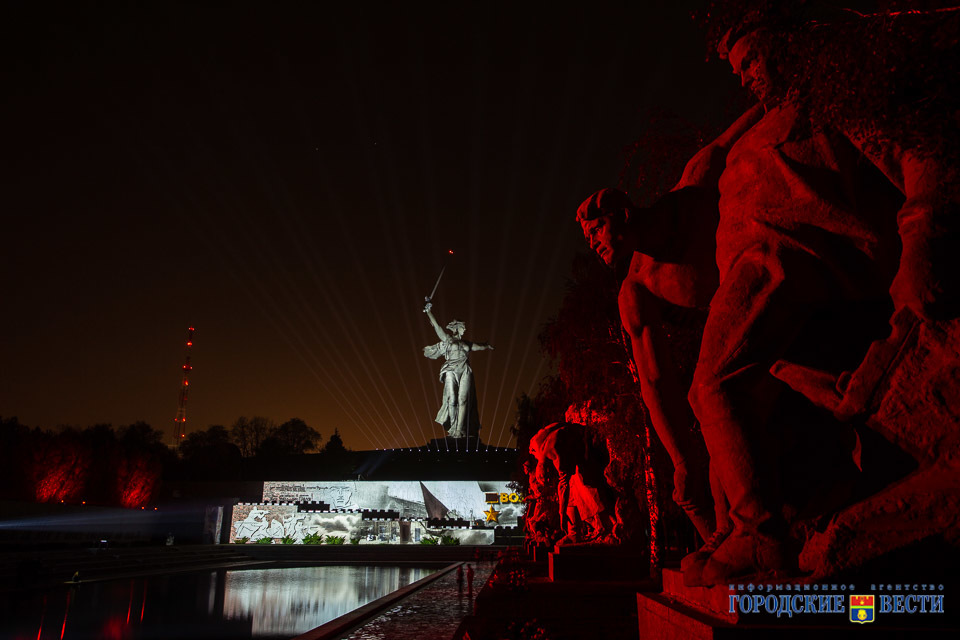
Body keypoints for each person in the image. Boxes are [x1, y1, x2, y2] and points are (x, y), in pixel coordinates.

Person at [684, 24, 955, 585]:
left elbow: (917, 152)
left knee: (713, 382)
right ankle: (771, 524)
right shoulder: (760, 126)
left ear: (790, 45)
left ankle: (759, 536)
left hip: (793, 259)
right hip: (763, 275)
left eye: (751, 57)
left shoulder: (828, 100)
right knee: (776, 402)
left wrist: (920, 237)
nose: (743, 75)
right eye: (736, 68)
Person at [577, 104, 764, 544]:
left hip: (772, 272)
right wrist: (682, 460)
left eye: (596, 231)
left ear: (622, 213)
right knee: (714, 417)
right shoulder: (636, 290)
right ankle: (728, 538)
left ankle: (755, 536)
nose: (594, 245)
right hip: (748, 319)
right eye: (588, 241)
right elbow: (655, 382)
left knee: (711, 391)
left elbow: (726, 140)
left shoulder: (692, 190)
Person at [423, 302, 493, 438]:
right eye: (463, 327)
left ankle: (459, 430)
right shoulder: (448, 339)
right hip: (450, 370)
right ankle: (453, 428)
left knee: (463, 399)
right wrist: (429, 312)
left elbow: (478, 347)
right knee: (452, 399)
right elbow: (437, 327)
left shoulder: (467, 343)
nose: (465, 329)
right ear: (457, 328)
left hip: (465, 370)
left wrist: (486, 345)